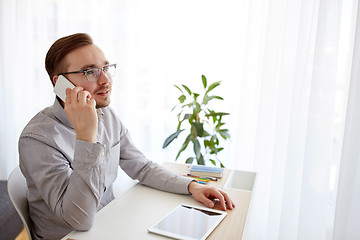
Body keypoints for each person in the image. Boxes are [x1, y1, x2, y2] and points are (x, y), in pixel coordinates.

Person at [18, 33, 235, 240]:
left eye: (105, 68)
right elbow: (79, 219)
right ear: (60, 84)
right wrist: (86, 137)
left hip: (110, 223)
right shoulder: (37, 140)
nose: (105, 80)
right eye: (89, 71)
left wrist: (192, 186)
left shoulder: (107, 116)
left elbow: (141, 166)